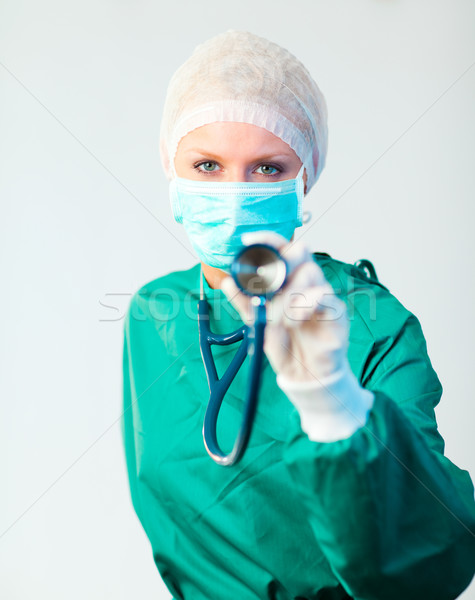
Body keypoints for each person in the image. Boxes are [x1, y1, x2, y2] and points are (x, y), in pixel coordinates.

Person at [121, 30, 475, 600]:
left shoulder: (373, 326)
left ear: (304, 176)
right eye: (207, 164)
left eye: (266, 169)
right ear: (171, 167)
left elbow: (433, 562)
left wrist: (330, 399)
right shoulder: (151, 317)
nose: (235, 193)